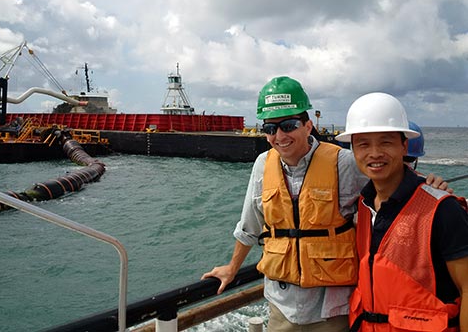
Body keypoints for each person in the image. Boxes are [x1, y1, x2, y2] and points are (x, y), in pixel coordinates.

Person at [201, 77, 447, 331]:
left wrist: (429, 184)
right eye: (270, 128)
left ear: (308, 126)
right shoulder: (263, 165)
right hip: (281, 306)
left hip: (332, 310)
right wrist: (232, 268)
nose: (280, 136)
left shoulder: (344, 162)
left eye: (288, 125)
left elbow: (392, 178)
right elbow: (249, 225)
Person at [335, 92, 468, 332]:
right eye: (363, 144)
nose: (374, 153)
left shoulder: (442, 209)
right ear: (352, 150)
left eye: (386, 142)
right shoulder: (362, 207)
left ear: (404, 145)